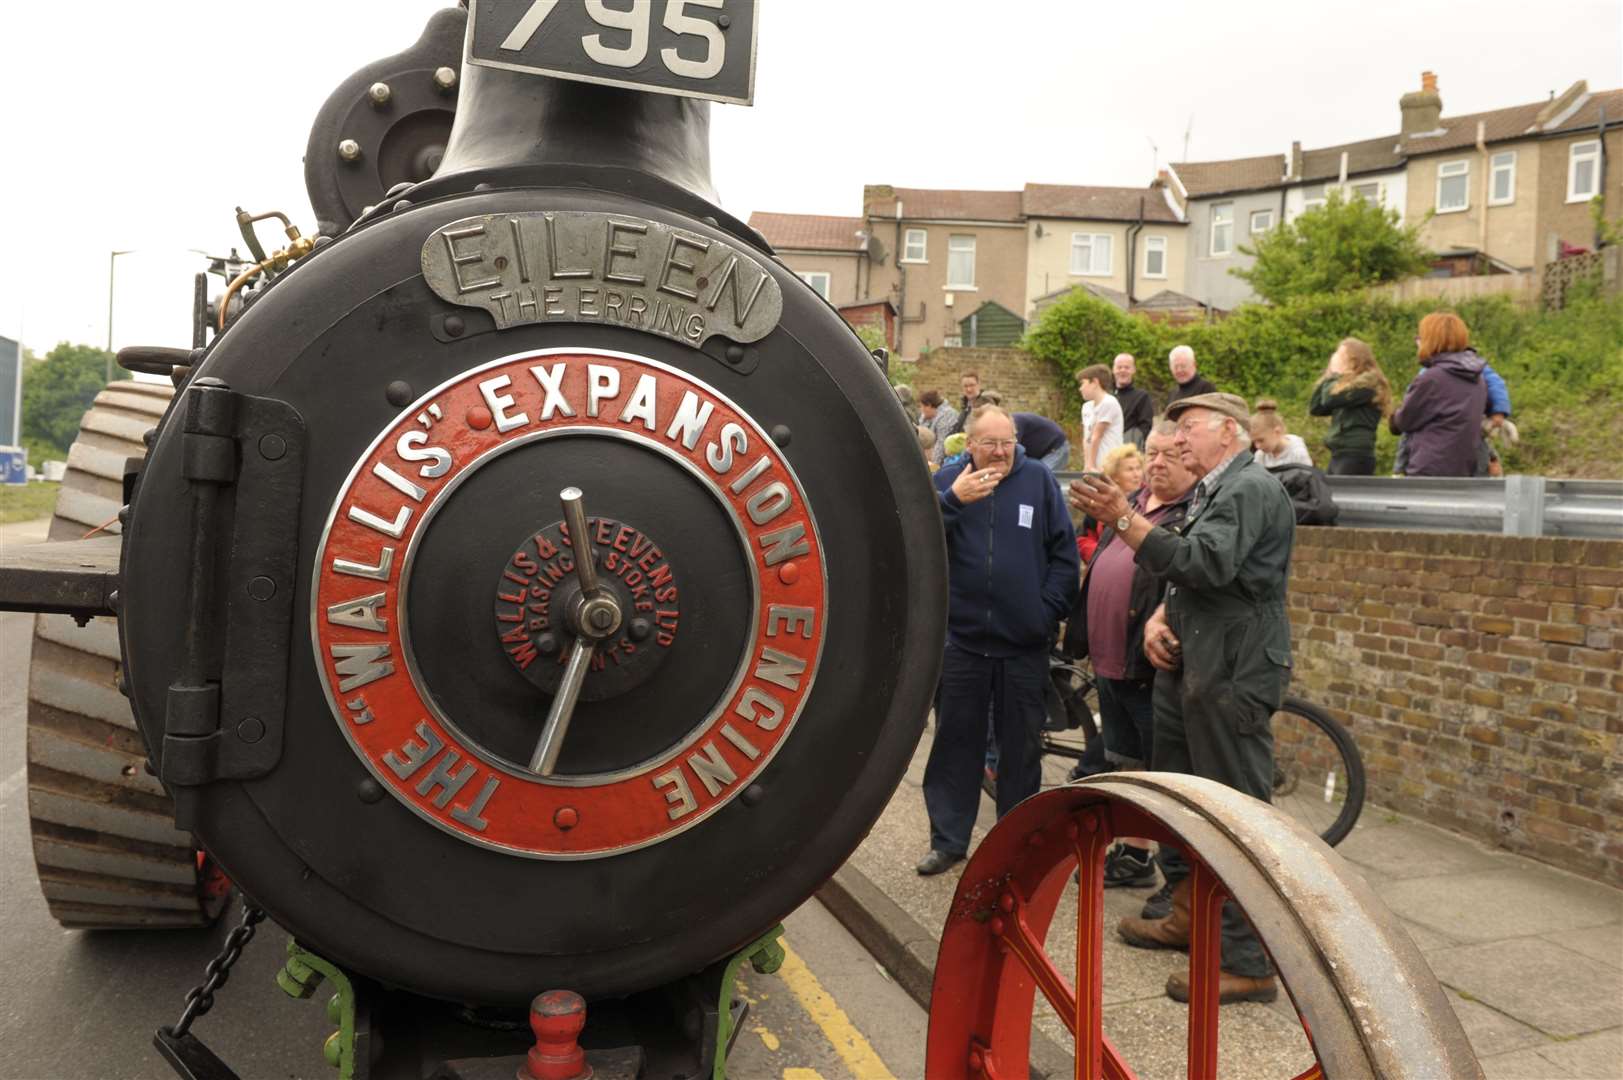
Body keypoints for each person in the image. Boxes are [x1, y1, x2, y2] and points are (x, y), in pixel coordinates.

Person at [1070, 392, 1295, 1006]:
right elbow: (1191, 576)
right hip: (1197, 664)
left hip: (1233, 671)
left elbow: (1208, 563)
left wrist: (1122, 516)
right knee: (1180, 799)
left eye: (1188, 426)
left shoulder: (1248, 488)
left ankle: (1247, 962)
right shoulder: (1214, 488)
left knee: (1234, 815)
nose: (1175, 437)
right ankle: (1185, 915)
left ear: (1229, 431)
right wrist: (1161, 614)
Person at [918, 405, 1080, 876]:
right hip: (964, 643)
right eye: (989, 443)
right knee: (955, 745)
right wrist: (954, 502)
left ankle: (1016, 847)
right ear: (968, 444)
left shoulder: (1039, 482)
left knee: (1022, 750)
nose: (1000, 451)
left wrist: (1043, 614)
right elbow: (920, 544)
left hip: (1023, 645)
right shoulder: (949, 481)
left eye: (1007, 442)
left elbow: (1064, 558)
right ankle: (948, 842)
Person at [1065, 422, 1198, 889]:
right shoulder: (1135, 503)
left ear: (1191, 459)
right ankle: (1137, 857)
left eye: (1168, 455)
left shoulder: (1188, 513)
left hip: (1147, 668)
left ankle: (1179, 885)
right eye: (1152, 453)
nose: (1157, 462)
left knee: (1165, 774)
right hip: (1109, 660)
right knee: (1128, 764)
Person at [1389, 312, 1489, 478]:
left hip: (1428, 469)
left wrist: (1392, 417)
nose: (1418, 342)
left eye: (1420, 337)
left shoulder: (1431, 379)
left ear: (1431, 341)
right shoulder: (1478, 379)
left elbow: (1404, 421)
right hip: (1464, 469)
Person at [1308, 338, 1391, 476]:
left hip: (1355, 454)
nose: (1336, 359)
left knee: (1343, 495)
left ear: (1354, 360)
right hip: (1340, 453)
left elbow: (1329, 399)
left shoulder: (1368, 385)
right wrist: (1329, 375)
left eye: (1340, 356)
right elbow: (1316, 407)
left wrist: (1334, 374)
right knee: (1330, 495)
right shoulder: (1346, 385)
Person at [1075, 444, 1143, 563]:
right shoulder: (1101, 501)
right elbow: (1082, 539)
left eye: (1138, 468)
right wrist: (1102, 556)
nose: (1136, 474)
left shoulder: (1149, 500)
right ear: (1115, 476)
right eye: (1130, 469)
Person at [1076, 365, 1123, 472]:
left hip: (1109, 465)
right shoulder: (1086, 407)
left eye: (1083, 383)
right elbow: (1086, 438)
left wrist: (1091, 465)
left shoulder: (1109, 402)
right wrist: (1087, 465)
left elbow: (1097, 435)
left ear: (1095, 382)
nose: (1080, 388)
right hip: (1093, 466)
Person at [1248, 401, 1313, 468]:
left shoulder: (1298, 454)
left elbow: (1309, 476)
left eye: (1261, 440)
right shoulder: (1260, 455)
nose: (1257, 446)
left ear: (1277, 432)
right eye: (1254, 442)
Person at [1112, 353, 1157, 450]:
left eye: (1127, 367)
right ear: (1113, 370)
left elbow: (1146, 428)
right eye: (1119, 367)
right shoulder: (1108, 397)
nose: (1122, 370)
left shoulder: (1142, 396)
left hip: (1131, 451)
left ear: (1133, 370)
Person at [918, 390, 960, 467]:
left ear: (929, 405)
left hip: (947, 460)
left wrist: (934, 466)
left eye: (921, 406)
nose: (921, 409)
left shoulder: (947, 416)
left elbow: (941, 444)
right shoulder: (926, 416)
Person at [950, 371, 981, 436]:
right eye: (965, 386)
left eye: (972, 385)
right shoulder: (965, 405)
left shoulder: (986, 405)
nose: (969, 389)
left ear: (978, 385)